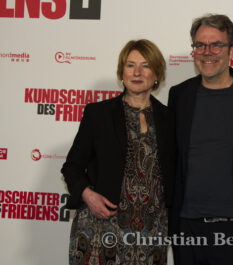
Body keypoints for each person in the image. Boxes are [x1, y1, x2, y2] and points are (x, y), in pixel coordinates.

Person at [168, 14, 233, 265]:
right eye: (200, 45)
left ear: (232, 50)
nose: (208, 52)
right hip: (187, 228)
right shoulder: (179, 95)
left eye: (216, 44)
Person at [61, 39, 175, 265]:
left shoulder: (170, 118)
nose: (137, 72)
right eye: (130, 65)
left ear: (157, 74)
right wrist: (88, 196)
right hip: (101, 228)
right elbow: (72, 167)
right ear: (122, 72)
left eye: (145, 65)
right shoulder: (98, 114)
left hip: (151, 232)